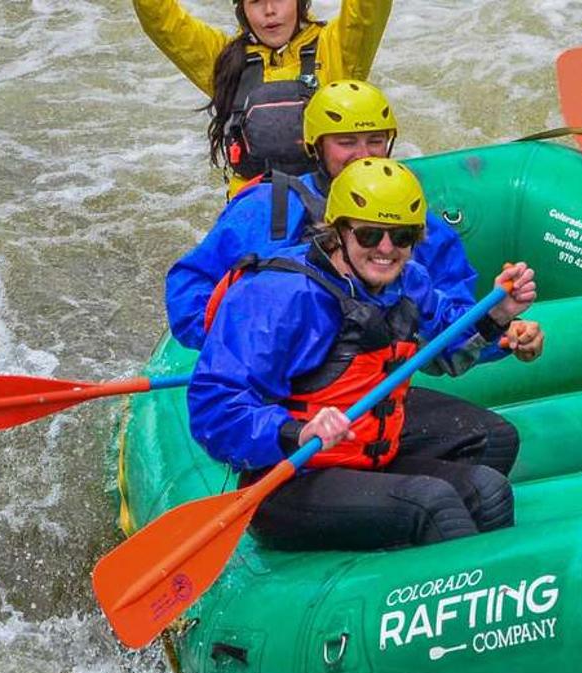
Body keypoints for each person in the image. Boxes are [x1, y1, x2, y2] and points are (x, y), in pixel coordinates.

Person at [167, 79, 539, 475]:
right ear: (316, 146)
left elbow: (446, 322)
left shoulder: (408, 223)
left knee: (492, 439)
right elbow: (190, 286)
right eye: (346, 142)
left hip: (367, 390)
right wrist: (248, 343)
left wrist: (500, 328)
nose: (362, 155)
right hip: (285, 402)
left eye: (375, 141)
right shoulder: (266, 209)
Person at [188, 158, 539, 551]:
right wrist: (295, 430)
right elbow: (214, 409)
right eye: (370, 235)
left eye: (402, 236)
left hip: (367, 455)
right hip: (288, 477)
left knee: (490, 490)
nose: (386, 249)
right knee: (432, 504)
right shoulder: (279, 296)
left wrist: (496, 316)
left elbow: (446, 355)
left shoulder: (408, 281)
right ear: (338, 231)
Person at [133, 0, 394, 193]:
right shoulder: (223, 61)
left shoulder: (337, 49)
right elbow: (161, 20)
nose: (269, 10)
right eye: (256, 1)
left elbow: (368, 9)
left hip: (329, 212)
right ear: (242, 10)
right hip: (253, 215)